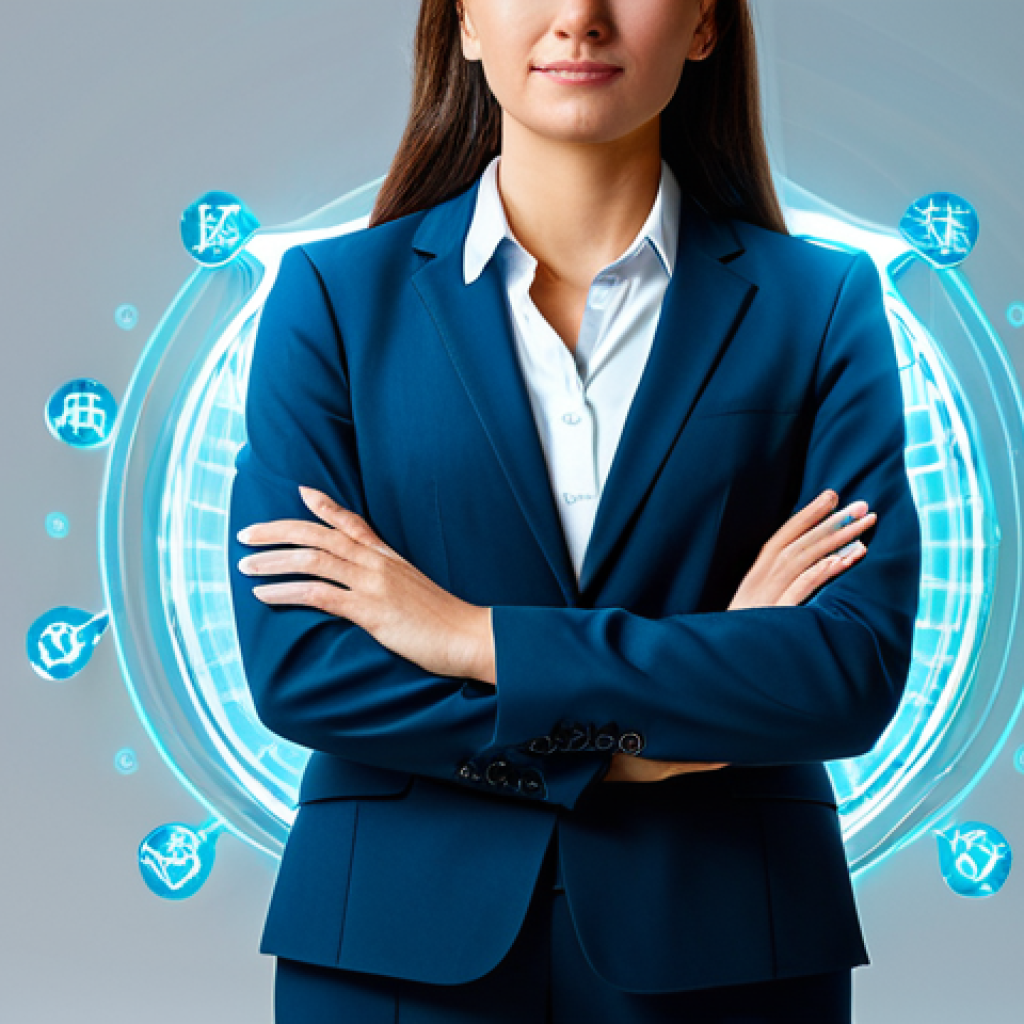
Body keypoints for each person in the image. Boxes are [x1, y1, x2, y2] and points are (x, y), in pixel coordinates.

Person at [227, 0, 922, 1020]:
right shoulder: (331, 298)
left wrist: (470, 637)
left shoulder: (818, 304)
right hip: (393, 942)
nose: (579, 19)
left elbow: (841, 671)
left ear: (703, 26)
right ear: (462, 22)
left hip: (728, 936)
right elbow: (306, 672)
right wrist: (634, 753)